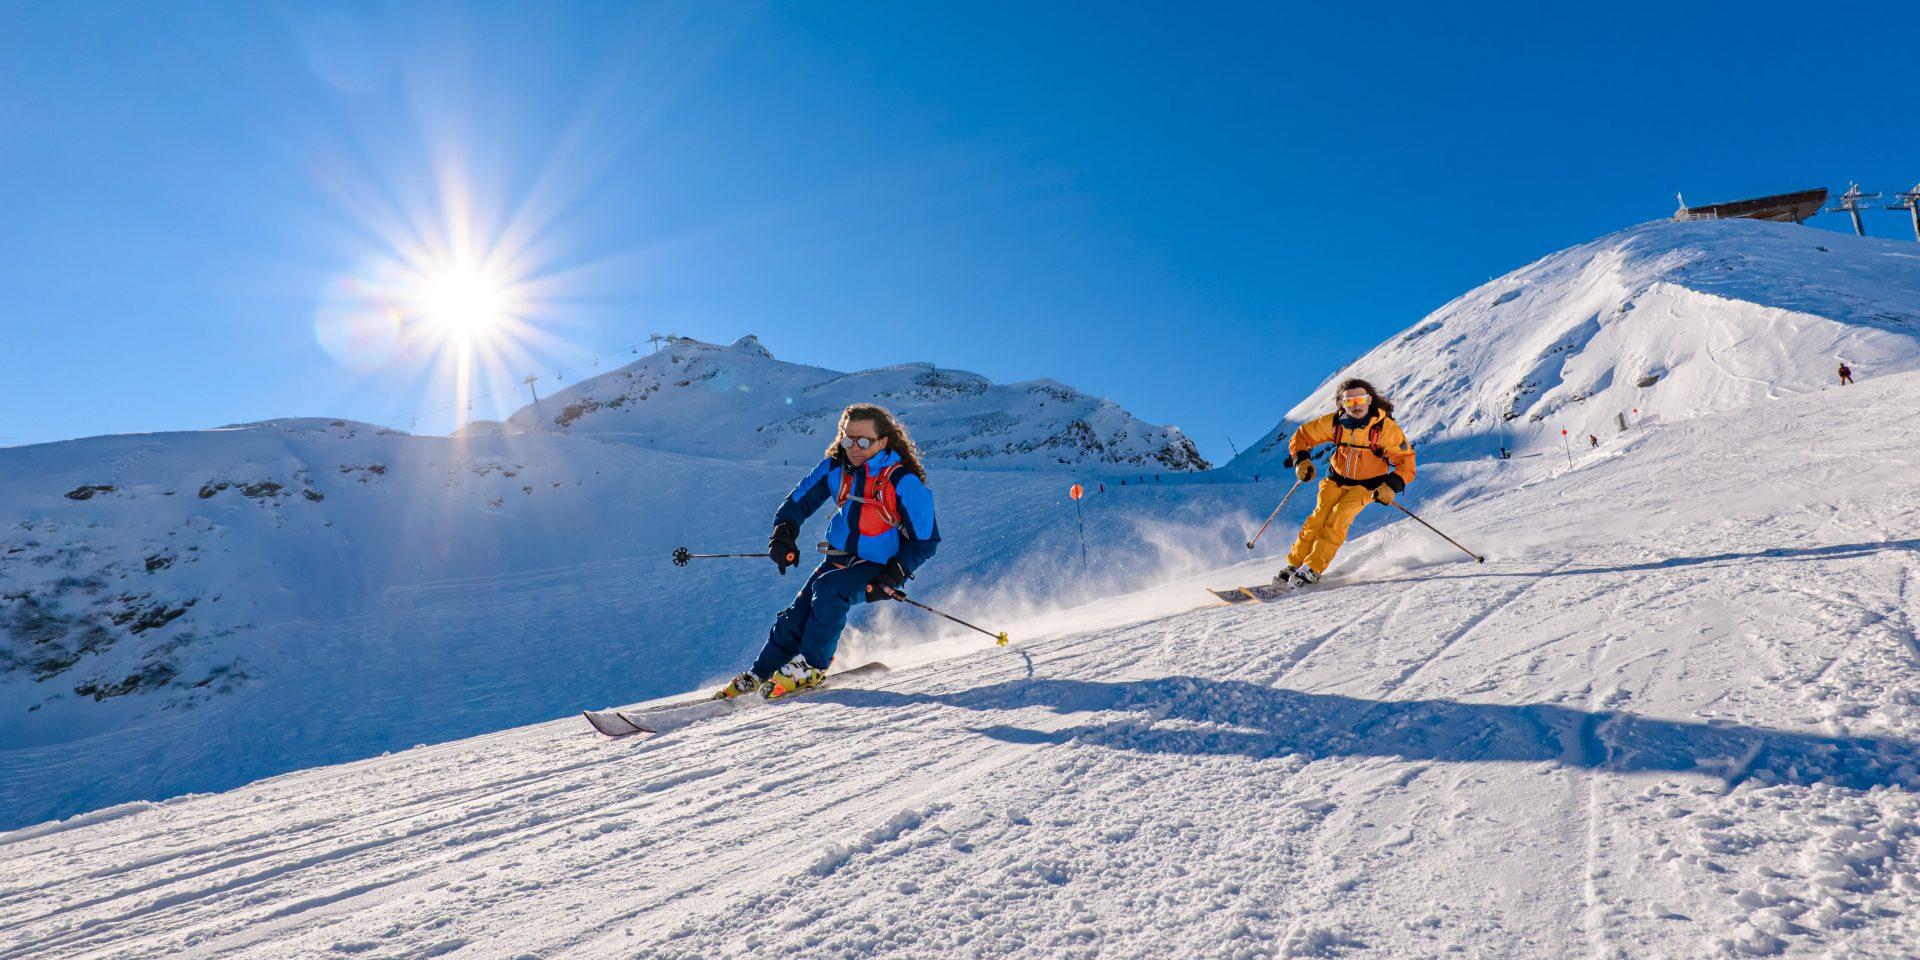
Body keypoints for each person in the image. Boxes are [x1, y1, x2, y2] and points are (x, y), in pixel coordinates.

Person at [713, 404, 939, 699]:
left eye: (863, 441)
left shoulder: (902, 481)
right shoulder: (835, 468)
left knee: (829, 590)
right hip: (840, 557)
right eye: (848, 439)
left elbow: (927, 539)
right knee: (797, 613)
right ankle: (762, 673)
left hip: (880, 566)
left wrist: (895, 572)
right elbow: (797, 503)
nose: (854, 448)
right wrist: (784, 533)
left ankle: (812, 667)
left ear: (883, 441)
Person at [1274, 378, 1416, 587]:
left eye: (1360, 399)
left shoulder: (1385, 429)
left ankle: (1312, 568)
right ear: (1342, 404)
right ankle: (1294, 565)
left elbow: (1406, 462)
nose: (1356, 405)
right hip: (1336, 479)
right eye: (1350, 401)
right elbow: (1303, 435)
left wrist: (1391, 485)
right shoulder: (1334, 424)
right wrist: (1302, 460)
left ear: (1369, 401)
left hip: (1367, 485)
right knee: (1318, 518)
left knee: (1339, 517)